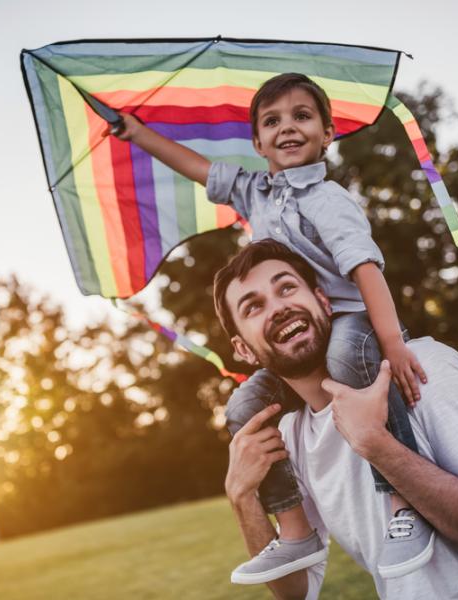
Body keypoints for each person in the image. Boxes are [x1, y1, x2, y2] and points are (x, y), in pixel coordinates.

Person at [108, 73, 431, 583]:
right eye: (272, 121)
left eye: (302, 116)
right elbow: (197, 168)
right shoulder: (254, 191)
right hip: (299, 340)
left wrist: (391, 342)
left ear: (328, 133)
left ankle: (403, 504)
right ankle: (296, 530)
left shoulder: (328, 200)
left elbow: (367, 270)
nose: (287, 128)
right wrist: (138, 134)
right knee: (242, 406)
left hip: (349, 322)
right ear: (257, 142)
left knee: (349, 358)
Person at [212, 239, 458, 599]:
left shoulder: (421, 368)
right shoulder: (289, 437)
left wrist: (377, 444)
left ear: (323, 301)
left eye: (286, 287)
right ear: (243, 349)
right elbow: (297, 591)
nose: (278, 308)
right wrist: (241, 497)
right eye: (254, 307)